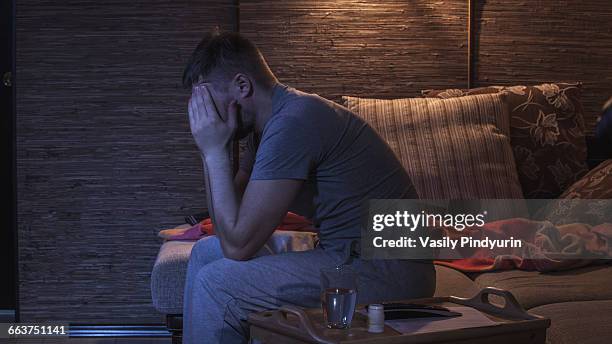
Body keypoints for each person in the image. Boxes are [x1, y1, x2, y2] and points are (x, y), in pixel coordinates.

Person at [181, 31, 435, 344]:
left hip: (389, 268)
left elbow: (239, 245)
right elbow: (228, 228)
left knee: (216, 284)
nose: (203, 115)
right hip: (346, 255)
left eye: (207, 102)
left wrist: (213, 152)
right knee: (207, 252)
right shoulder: (264, 130)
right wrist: (212, 150)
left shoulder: (294, 122)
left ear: (243, 86)